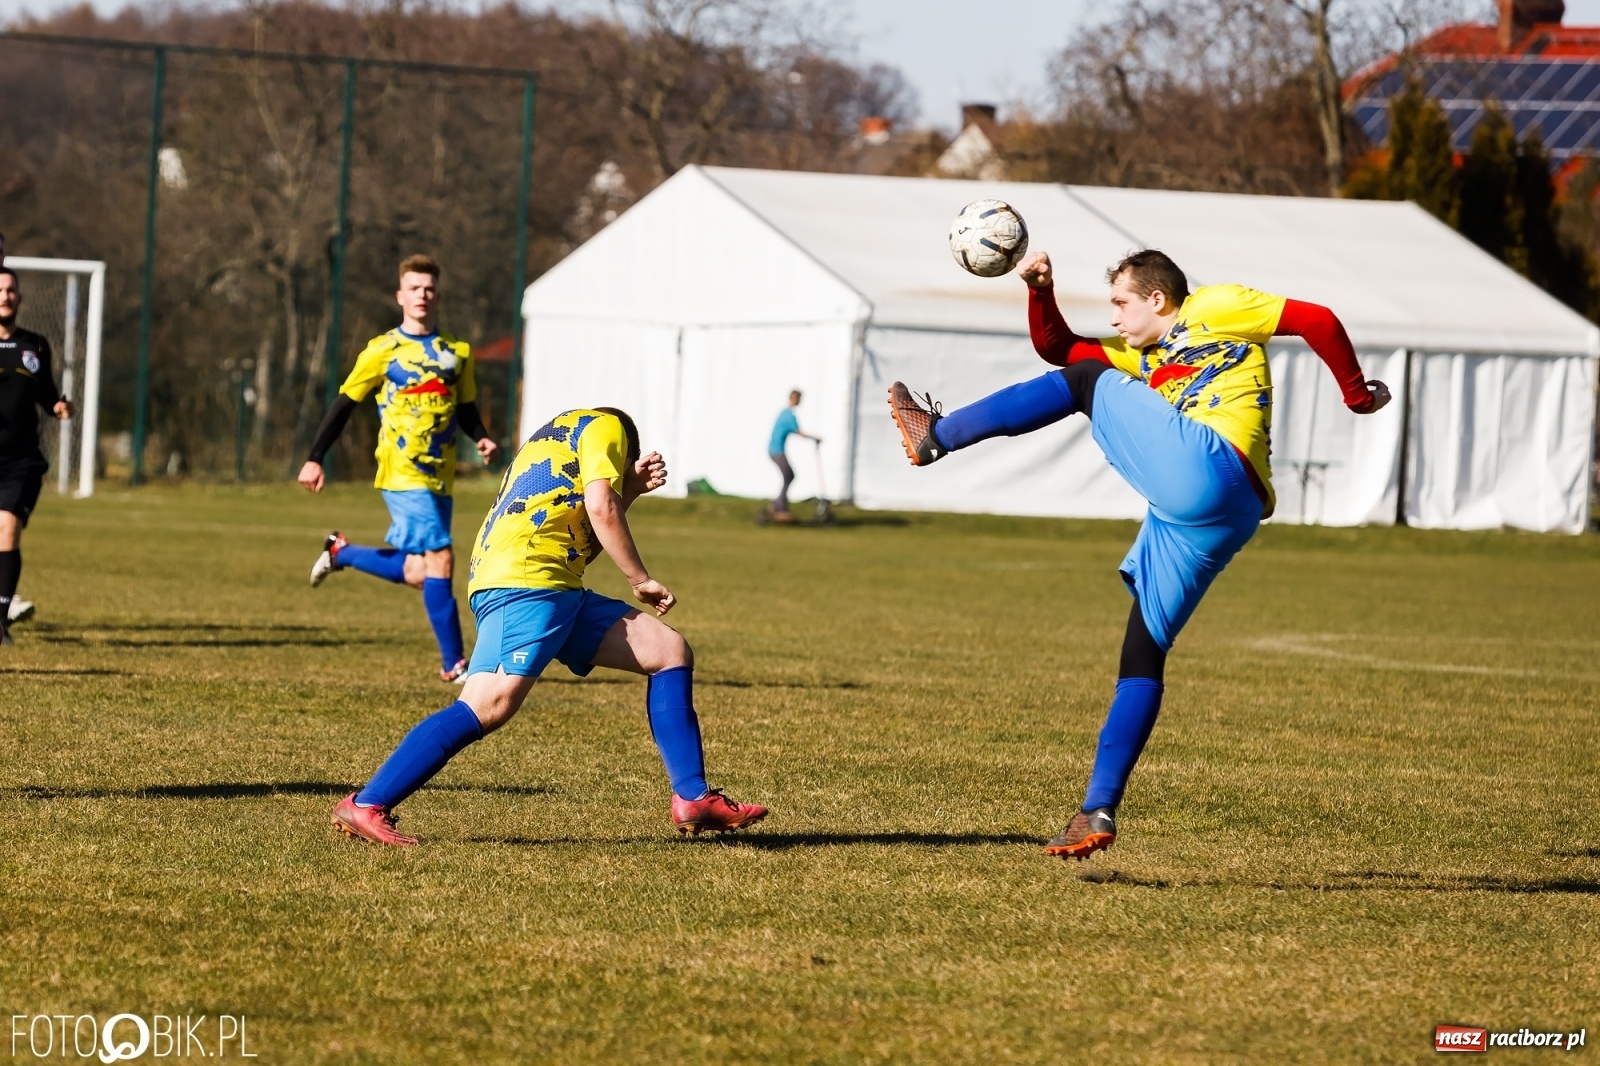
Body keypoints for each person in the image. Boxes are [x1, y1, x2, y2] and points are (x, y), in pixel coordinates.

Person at [887, 248, 1390, 860]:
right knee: (1142, 652)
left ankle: (933, 436)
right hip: (1223, 515)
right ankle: (1097, 808)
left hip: (1212, 467)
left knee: (1084, 386)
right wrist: (1041, 291)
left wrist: (1356, 393)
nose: (1116, 318)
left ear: (1158, 299)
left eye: (1122, 303)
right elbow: (1058, 349)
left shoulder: (1214, 306)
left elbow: (1318, 319)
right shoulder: (1140, 355)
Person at [330, 406, 769, 845]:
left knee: (668, 651)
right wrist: (640, 578)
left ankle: (693, 797)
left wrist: (629, 491)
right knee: (489, 703)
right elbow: (602, 507)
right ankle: (368, 803)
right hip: (526, 582)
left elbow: (582, 539)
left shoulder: (560, 436)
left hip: (552, 583)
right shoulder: (608, 427)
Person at [298, 255, 500, 682]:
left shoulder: (456, 352)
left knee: (420, 570)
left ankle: (341, 552)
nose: (422, 295)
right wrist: (316, 456)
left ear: (437, 295)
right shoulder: (382, 350)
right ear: (400, 296)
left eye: (429, 288)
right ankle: (456, 665)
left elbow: (464, 406)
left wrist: (480, 435)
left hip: (439, 477)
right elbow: (344, 404)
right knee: (442, 559)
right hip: (400, 472)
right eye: (414, 288)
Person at [0, 267, 73, 647]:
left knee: (7, 529)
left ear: (20, 297)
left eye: (12, 290)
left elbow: (47, 395)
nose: (6, 296)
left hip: (20, 460)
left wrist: (59, 407)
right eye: (0, 290)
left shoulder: (35, 345)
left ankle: (1, 621)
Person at [767, 389, 820, 522]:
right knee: (789, 476)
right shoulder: (789, 416)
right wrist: (815, 438)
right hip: (776, 450)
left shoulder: (784, 413)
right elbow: (799, 433)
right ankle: (779, 508)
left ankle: (779, 506)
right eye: (798, 398)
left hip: (774, 450)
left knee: (789, 476)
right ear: (793, 398)